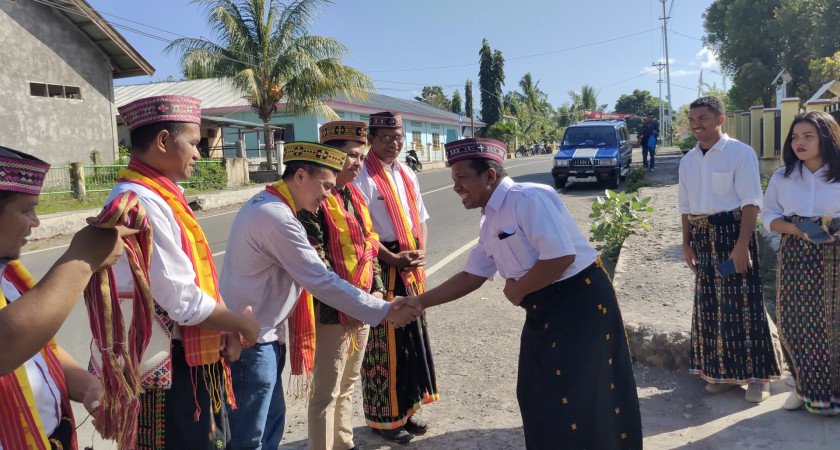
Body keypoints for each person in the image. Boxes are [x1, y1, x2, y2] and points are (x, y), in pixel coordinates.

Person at [408, 137, 642, 449]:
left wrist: (518, 290)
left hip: (580, 301)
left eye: (462, 178)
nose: (456, 188)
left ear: (489, 176)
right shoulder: (490, 218)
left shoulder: (527, 198)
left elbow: (560, 257)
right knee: (538, 389)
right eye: (454, 180)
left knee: (580, 393)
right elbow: (471, 275)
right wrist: (419, 302)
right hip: (546, 305)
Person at [219, 140, 421, 450]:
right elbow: (320, 279)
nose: (327, 194)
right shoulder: (278, 217)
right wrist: (384, 309)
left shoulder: (271, 203)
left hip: (264, 335)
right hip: (252, 342)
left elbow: (364, 247)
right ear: (300, 176)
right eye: (324, 185)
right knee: (251, 436)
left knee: (271, 424)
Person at [93, 95, 261, 449]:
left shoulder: (159, 194)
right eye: (195, 143)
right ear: (164, 141)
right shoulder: (143, 201)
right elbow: (182, 300)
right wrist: (241, 324)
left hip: (180, 357)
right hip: (169, 368)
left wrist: (225, 324)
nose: (199, 154)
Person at [0, 146, 127, 449]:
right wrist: (84, 258)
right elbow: (5, 346)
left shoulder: (8, 275)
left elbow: (36, 348)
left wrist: (88, 387)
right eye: (26, 210)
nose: (36, 222)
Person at [678, 96, 781, 403]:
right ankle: (723, 374)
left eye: (703, 118)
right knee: (712, 309)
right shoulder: (688, 160)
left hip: (732, 236)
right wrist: (685, 244)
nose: (697, 125)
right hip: (701, 238)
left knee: (744, 307)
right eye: (692, 120)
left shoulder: (740, 153)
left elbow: (751, 202)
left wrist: (741, 247)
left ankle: (758, 379)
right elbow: (685, 206)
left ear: (719, 119)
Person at [352, 111, 438, 444]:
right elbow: (361, 231)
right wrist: (393, 258)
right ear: (371, 138)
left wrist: (421, 251)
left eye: (398, 137)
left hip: (410, 264)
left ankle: (408, 411)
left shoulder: (406, 173)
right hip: (380, 268)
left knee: (411, 340)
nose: (394, 143)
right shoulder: (363, 176)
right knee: (383, 344)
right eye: (386, 138)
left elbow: (421, 217)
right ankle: (382, 419)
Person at [299, 122, 384, 450]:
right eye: (350, 155)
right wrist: (360, 301)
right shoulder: (313, 202)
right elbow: (318, 266)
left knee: (348, 385)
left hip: (362, 306)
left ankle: (345, 444)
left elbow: (369, 247)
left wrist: (376, 289)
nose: (357, 163)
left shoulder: (356, 198)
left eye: (361, 156)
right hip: (330, 313)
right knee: (326, 394)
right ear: (329, 157)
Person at [761, 111, 840, 415]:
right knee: (795, 323)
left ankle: (834, 393)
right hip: (797, 254)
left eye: (808, 136)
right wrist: (795, 229)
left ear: (827, 138)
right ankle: (805, 388)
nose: (799, 142)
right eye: (795, 136)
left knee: (833, 325)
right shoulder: (784, 176)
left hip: (835, 254)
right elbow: (768, 215)